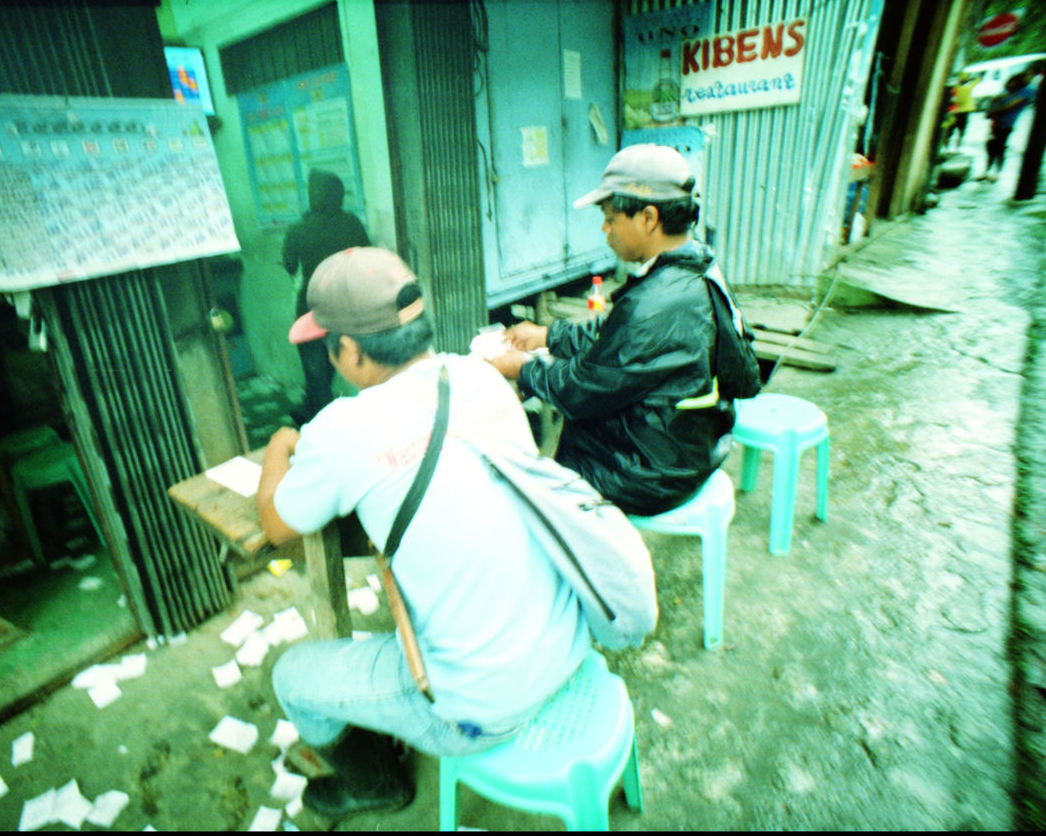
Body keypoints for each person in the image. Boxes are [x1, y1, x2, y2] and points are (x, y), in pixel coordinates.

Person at [258, 247, 592, 821]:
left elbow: (276, 523)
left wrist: (279, 446)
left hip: (482, 708)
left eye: (327, 343)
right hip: (568, 641)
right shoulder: (484, 379)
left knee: (291, 676)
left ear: (352, 351)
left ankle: (375, 785)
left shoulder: (342, 430)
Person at [485, 144, 741, 516]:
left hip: (655, 472)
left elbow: (582, 389)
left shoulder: (655, 302)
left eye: (610, 217)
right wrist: (548, 336)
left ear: (648, 218)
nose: (605, 229)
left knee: (541, 479)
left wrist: (519, 368)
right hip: (697, 441)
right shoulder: (693, 268)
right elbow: (619, 340)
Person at [282, 170, 370, 424]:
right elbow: (366, 255)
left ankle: (320, 421)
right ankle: (313, 411)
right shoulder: (352, 223)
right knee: (339, 366)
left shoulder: (298, 230)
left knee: (315, 372)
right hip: (346, 303)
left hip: (311, 305)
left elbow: (289, 266)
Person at [980, 71, 1036, 182]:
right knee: (991, 147)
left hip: (1007, 123)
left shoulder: (1028, 91)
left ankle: (996, 173)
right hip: (996, 122)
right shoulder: (1010, 90)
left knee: (1000, 148)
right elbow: (997, 100)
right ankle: (987, 172)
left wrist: (991, 111)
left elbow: (1008, 105)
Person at [948, 72, 979, 149]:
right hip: (965, 111)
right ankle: (958, 146)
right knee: (961, 130)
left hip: (955, 111)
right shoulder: (969, 87)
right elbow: (978, 79)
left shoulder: (955, 88)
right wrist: (970, 79)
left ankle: (946, 146)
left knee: (950, 129)